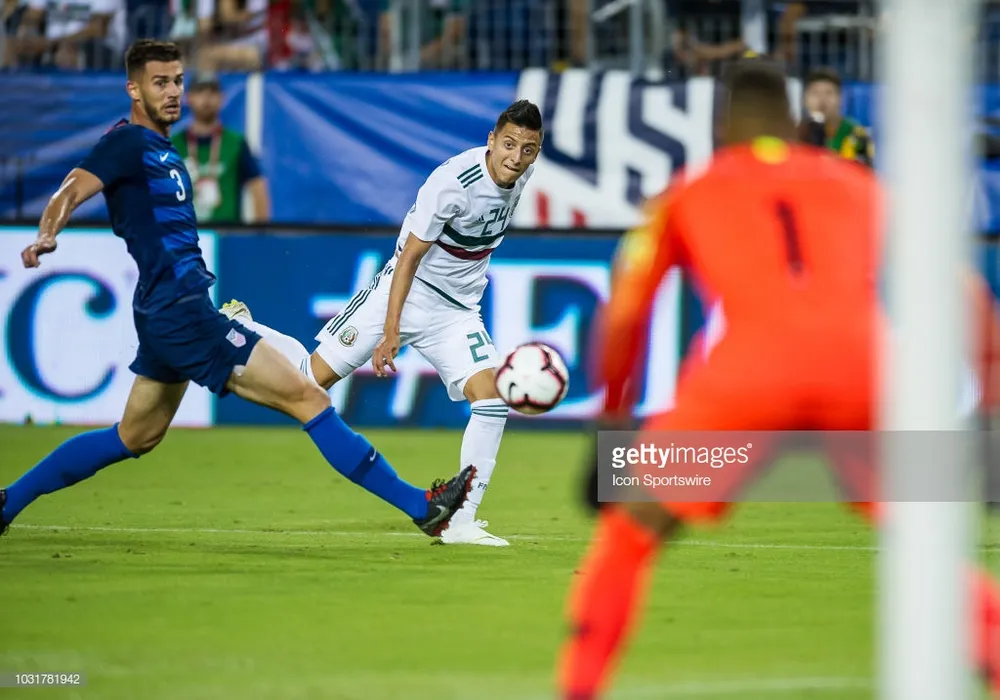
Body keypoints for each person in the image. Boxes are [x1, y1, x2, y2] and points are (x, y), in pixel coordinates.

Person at [558, 59, 1000, 699]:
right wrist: (989, 410)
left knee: (633, 528)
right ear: (794, 124)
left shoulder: (689, 192)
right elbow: (963, 289)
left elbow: (627, 312)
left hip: (748, 381)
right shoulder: (860, 185)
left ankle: (578, 688)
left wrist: (610, 422)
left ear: (720, 129)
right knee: (924, 544)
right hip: (862, 376)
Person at [1, 39, 475, 540]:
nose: (173, 92)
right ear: (133, 90)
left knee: (135, 435)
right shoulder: (126, 144)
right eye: (160, 83)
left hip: (169, 311)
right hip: (181, 313)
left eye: (177, 81)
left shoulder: (163, 149)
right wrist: (47, 233)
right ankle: (420, 506)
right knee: (308, 397)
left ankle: (9, 501)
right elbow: (71, 189)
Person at [221, 99, 544, 548]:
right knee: (307, 384)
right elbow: (409, 257)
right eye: (508, 144)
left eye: (528, 149)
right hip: (404, 292)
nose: (516, 157)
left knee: (491, 402)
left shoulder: (522, 172)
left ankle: (460, 520)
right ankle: (244, 328)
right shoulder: (452, 184)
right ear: (491, 140)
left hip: (456, 312)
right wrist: (392, 332)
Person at [170, 71, 271, 223]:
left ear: (222, 98)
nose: (206, 98)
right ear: (188, 98)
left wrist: (260, 231)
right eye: (200, 91)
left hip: (227, 233)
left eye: (212, 92)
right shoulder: (173, 144)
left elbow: (257, 186)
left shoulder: (236, 142)